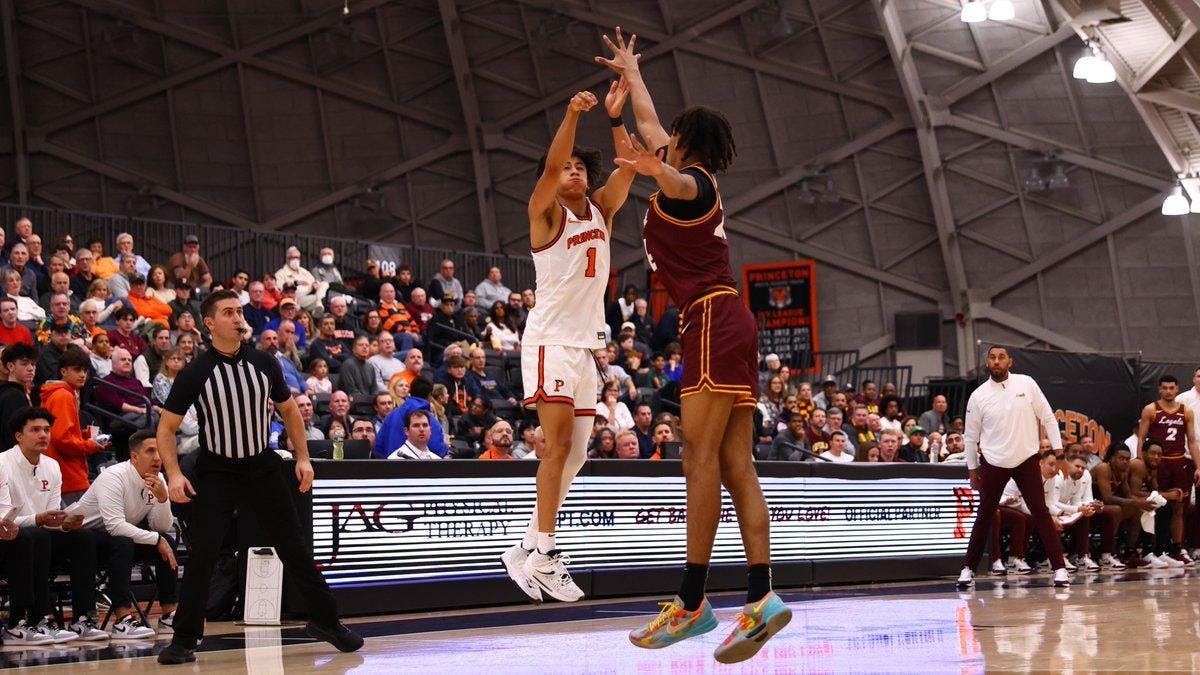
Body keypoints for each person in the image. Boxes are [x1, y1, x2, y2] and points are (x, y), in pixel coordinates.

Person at [597, 28, 789, 660]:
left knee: (696, 463)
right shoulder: (686, 172)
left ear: (682, 145)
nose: (660, 139)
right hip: (729, 322)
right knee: (737, 468)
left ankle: (692, 602)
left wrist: (657, 171)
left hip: (709, 321)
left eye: (667, 140)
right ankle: (762, 599)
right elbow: (649, 120)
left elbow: (679, 186)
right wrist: (634, 71)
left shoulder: (692, 185)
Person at [155, 289, 362, 665]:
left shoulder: (265, 363)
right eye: (229, 312)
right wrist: (172, 473)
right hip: (217, 471)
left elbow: (290, 411)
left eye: (239, 312)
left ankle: (326, 621)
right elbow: (166, 428)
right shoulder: (196, 372)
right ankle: (184, 639)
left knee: (294, 547)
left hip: (262, 467)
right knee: (203, 554)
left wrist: (303, 458)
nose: (238, 318)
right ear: (210, 323)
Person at [956, 345, 1069, 590]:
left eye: (1001, 357)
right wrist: (972, 469)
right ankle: (968, 569)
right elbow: (969, 437)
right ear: (987, 363)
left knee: (1040, 512)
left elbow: (1047, 416)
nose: (997, 361)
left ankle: (1059, 568)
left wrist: (1059, 451)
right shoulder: (979, 395)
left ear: (1010, 362)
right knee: (985, 515)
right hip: (993, 462)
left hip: (1027, 458)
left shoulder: (1026, 384)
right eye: (992, 358)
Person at [2, 407, 109, 644]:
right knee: (33, 537)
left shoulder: (52, 466)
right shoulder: (2, 464)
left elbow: (51, 518)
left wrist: (65, 523)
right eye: (35, 430)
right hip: (8, 539)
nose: (43, 435)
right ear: (18, 436)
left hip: (37, 538)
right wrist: (40, 520)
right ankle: (23, 623)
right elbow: (4, 522)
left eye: (47, 430)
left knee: (83, 537)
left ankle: (83, 619)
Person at [72, 429, 178, 638]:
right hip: (83, 538)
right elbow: (114, 526)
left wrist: (162, 499)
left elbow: (161, 527)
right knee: (124, 542)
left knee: (167, 541)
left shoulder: (158, 479)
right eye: (150, 451)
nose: (157, 457)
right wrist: (155, 539)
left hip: (118, 541)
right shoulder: (113, 476)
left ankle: (168, 615)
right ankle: (121, 619)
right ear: (134, 456)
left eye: (159, 451)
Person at [1135, 375, 1198, 565]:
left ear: (1177, 389)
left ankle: (1177, 549)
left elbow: (1192, 441)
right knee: (1156, 505)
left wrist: (1199, 466)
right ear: (1159, 390)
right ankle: (1153, 549)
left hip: (1179, 462)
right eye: (1165, 388)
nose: (1168, 391)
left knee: (1178, 507)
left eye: (1172, 388)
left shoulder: (1186, 411)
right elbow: (1141, 438)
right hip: (1158, 462)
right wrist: (1140, 461)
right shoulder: (1151, 409)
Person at [42, 346, 111, 504]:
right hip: (68, 474)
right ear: (63, 371)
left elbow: (61, 434)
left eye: (85, 371)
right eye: (77, 370)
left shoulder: (59, 393)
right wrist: (91, 445)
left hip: (62, 471)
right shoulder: (63, 395)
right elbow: (62, 439)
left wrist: (84, 436)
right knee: (84, 524)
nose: (82, 375)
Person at [1091, 444, 1149, 568]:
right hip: (1090, 508)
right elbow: (1107, 498)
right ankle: (1106, 554)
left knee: (1139, 510)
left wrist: (1145, 501)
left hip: (1105, 510)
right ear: (1112, 458)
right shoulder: (1103, 468)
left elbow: (1128, 495)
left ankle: (1129, 552)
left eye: (1127, 459)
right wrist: (1136, 502)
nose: (1125, 461)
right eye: (1121, 458)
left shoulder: (1122, 473)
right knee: (1116, 510)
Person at [373, 377, 449, 459]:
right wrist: (446, 446)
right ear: (429, 395)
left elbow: (378, 447)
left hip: (390, 468)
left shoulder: (391, 415)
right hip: (420, 469)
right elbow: (437, 450)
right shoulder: (428, 420)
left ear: (410, 392)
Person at [0, 344, 38, 449]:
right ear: (11, 366)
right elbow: (12, 436)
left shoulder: (14, 392)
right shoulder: (13, 395)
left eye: (33, 364)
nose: (31, 368)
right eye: (24, 364)